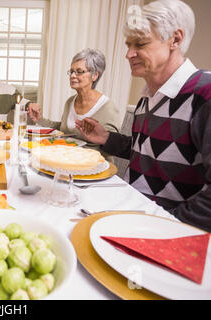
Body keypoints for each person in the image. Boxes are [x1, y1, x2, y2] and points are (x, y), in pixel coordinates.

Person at [75, 0, 211, 232]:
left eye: (141, 43)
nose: (129, 54)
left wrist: (163, 223)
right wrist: (106, 138)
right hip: (130, 214)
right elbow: (146, 152)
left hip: (165, 232)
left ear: (175, 40)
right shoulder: (148, 96)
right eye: (129, 44)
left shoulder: (205, 93)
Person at [36, 49, 120, 159]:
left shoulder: (108, 108)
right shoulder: (70, 101)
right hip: (66, 162)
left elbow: (113, 147)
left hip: (93, 168)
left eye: (79, 71)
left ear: (94, 75)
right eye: (71, 71)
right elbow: (63, 129)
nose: (72, 76)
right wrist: (39, 119)